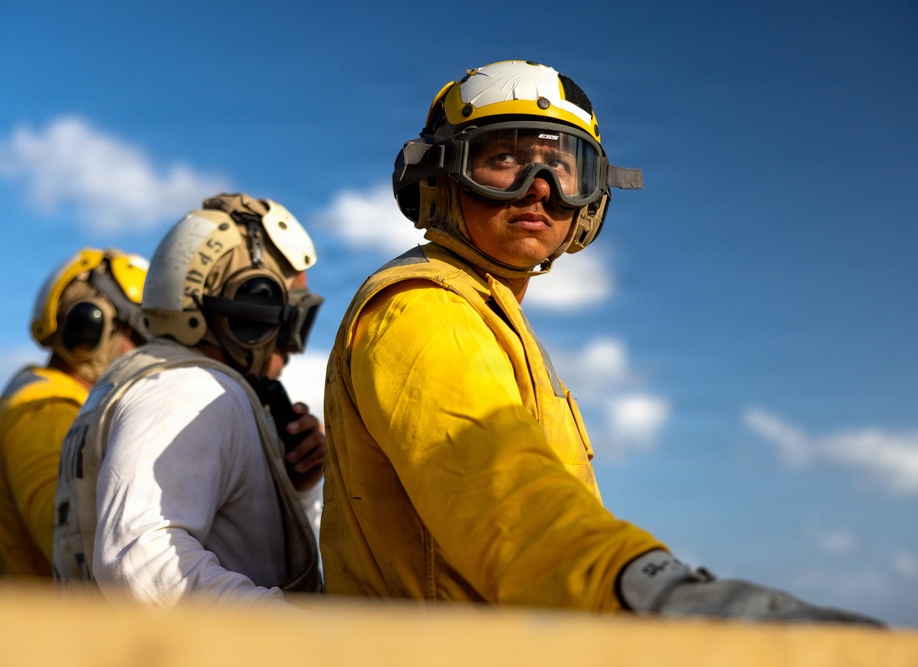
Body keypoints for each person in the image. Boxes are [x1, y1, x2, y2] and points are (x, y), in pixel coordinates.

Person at [321, 60, 879, 623]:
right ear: (441, 177)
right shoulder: (424, 306)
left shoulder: (487, 312)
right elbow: (497, 490)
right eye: (504, 159)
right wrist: (651, 591)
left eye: (563, 168)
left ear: (591, 199)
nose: (537, 190)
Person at [52, 193, 325, 608]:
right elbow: (137, 558)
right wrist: (298, 634)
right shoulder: (188, 390)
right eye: (294, 317)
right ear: (252, 309)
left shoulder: (140, 380)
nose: (293, 348)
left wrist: (297, 489)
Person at [0, 248, 149, 587]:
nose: (148, 356)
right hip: (63, 636)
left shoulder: (47, 399)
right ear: (93, 329)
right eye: (140, 336)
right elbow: (76, 546)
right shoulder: (48, 411)